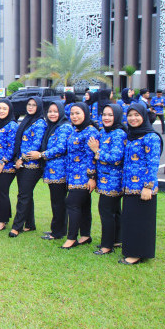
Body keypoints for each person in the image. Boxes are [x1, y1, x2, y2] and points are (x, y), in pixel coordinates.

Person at [120, 103, 162, 265]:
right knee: (130, 220)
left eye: (137, 115)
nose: (133, 118)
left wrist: (148, 187)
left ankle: (137, 254)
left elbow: (153, 164)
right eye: (130, 115)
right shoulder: (131, 136)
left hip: (143, 188)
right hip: (129, 187)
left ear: (144, 116)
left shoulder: (151, 137)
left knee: (141, 221)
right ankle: (131, 250)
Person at [26, 101, 74, 241]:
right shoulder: (52, 126)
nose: (52, 114)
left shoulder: (64, 127)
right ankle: (57, 229)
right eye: (50, 111)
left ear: (61, 112)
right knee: (56, 201)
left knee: (58, 202)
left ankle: (57, 232)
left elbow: (60, 148)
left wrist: (41, 155)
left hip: (59, 171)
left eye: (55, 111)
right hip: (52, 171)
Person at [88, 104, 127, 255]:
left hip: (113, 180)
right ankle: (117, 239)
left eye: (110, 115)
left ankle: (106, 246)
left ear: (117, 116)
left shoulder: (119, 134)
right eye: (104, 114)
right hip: (104, 178)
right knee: (114, 211)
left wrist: (97, 151)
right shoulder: (103, 132)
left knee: (106, 211)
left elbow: (116, 158)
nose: (106, 118)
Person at [61, 103, 99, 249]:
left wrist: (92, 177)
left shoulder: (90, 132)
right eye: (72, 114)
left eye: (78, 113)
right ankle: (85, 235)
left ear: (86, 114)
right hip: (73, 174)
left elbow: (92, 157)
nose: (74, 116)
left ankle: (71, 238)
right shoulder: (75, 130)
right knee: (84, 205)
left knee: (72, 203)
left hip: (84, 176)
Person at [9, 97, 47, 237]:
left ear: (39, 107)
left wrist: (22, 159)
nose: (30, 107)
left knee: (23, 195)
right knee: (27, 194)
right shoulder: (27, 120)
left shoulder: (40, 123)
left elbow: (35, 145)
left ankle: (16, 227)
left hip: (32, 165)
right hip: (22, 164)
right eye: (29, 104)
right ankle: (30, 224)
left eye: (34, 105)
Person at [0, 99, 18, 232]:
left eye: (4, 109)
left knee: (1, 192)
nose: (1, 111)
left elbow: (12, 147)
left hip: (5, 166)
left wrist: (2, 162)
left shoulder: (12, 126)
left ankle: (2, 221)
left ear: (10, 110)